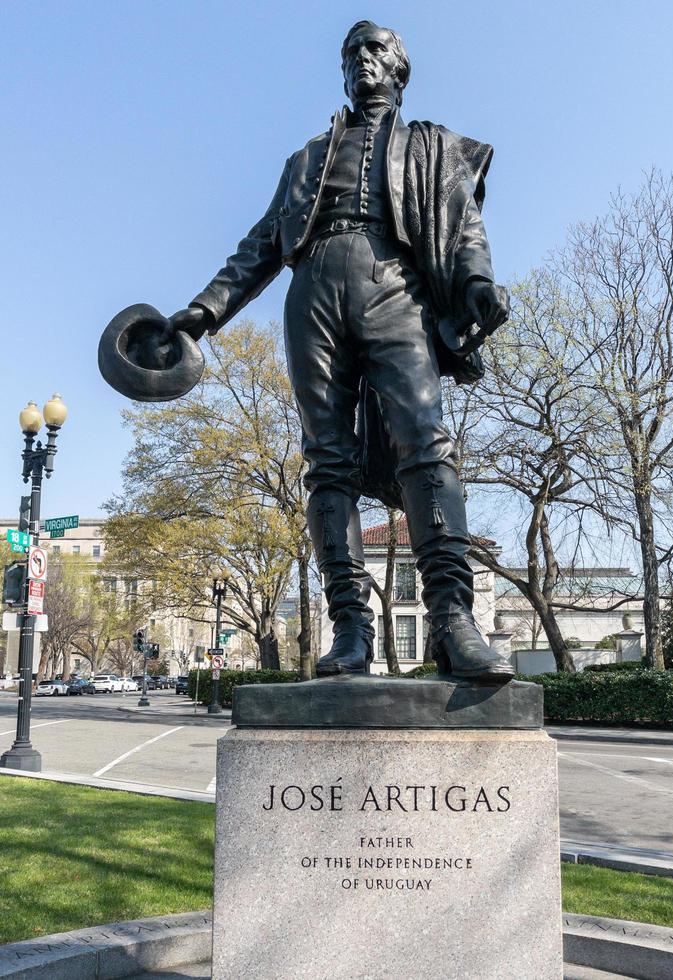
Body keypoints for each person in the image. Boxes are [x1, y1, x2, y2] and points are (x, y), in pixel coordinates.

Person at [169, 21, 514, 682]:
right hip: (314, 288)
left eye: (375, 50)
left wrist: (474, 283)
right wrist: (204, 309)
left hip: (395, 285)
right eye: (351, 53)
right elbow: (262, 243)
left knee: (424, 441)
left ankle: (452, 623)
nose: (362, 60)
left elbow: (464, 223)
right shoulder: (306, 159)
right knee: (327, 462)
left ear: (400, 69)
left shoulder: (431, 146)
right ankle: (350, 630)